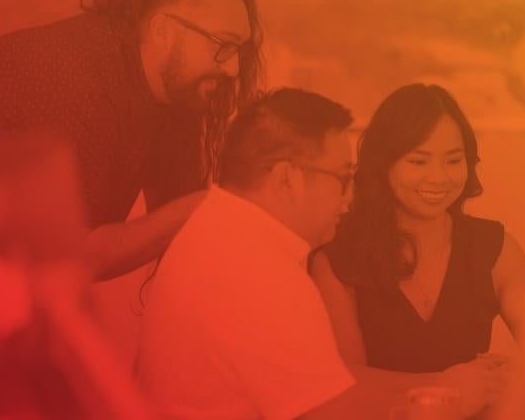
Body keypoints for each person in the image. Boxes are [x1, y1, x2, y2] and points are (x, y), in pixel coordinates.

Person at [136, 88, 502, 419]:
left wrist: (441, 383)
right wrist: (451, 398)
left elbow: (330, 387)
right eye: (342, 178)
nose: (348, 198)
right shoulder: (255, 272)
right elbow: (332, 413)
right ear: (287, 180)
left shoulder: (225, 232)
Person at [0, 0, 263, 280]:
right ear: (162, 29)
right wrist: (204, 206)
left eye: (240, 52)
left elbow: (180, 238)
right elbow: (73, 258)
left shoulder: (168, 93)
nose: (233, 68)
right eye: (224, 44)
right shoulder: (76, 76)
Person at [310, 83, 525, 393]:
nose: (439, 177)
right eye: (419, 161)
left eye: (454, 161)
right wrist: (450, 386)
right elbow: (347, 383)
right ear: (383, 164)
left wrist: (514, 373)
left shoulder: (495, 247)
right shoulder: (338, 260)